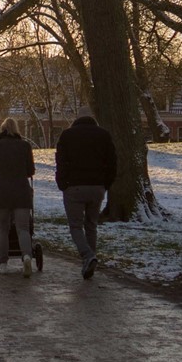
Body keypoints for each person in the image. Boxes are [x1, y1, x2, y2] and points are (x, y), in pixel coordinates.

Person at [55, 115, 117, 279]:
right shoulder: (104, 135)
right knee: (91, 225)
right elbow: (112, 162)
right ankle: (90, 261)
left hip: (74, 186)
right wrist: (106, 183)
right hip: (97, 187)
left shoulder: (67, 135)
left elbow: (60, 161)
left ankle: (88, 256)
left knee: (75, 226)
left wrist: (62, 183)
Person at [0, 118, 35, 277]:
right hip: (21, 191)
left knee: (2, 229)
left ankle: (3, 263)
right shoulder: (25, 146)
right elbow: (30, 171)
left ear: (2, 130)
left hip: (2, 192)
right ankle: (27, 256)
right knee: (23, 228)